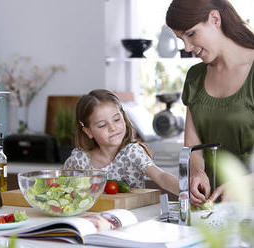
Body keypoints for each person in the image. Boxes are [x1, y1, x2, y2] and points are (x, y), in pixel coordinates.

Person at [166, 0, 254, 206]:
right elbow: (194, 144)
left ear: (215, 19)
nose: (187, 47)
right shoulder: (195, 76)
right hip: (212, 206)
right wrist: (197, 172)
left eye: (191, 34)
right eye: (181, 39)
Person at [63, 89, 179, 196]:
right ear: (88, 131)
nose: (112, 128)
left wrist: (186, 192)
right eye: (102, 125)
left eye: (116, 119)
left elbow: (160, 176)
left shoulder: (132, 152)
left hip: (133, 215)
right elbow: (61, 186)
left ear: (123, 117)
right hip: (93, 216)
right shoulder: (79, 160)